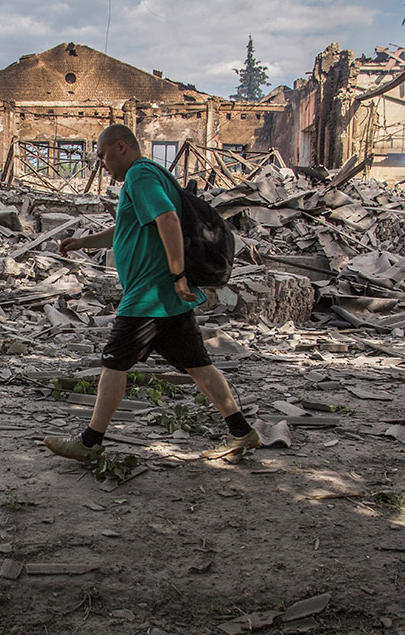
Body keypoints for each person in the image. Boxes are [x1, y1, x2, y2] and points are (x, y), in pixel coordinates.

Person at [43, 124, 260, 463]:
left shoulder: (140, 175)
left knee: (114, 361)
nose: (102, 164)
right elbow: (128, 227)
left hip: (150, 293)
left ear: (121, 147)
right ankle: (242, 431)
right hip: (163, 298)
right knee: (198, 364)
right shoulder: (152, 175)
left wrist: (177, 275)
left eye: (102, 155)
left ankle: (89, 442)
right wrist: (85, 241)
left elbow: (168, 219)